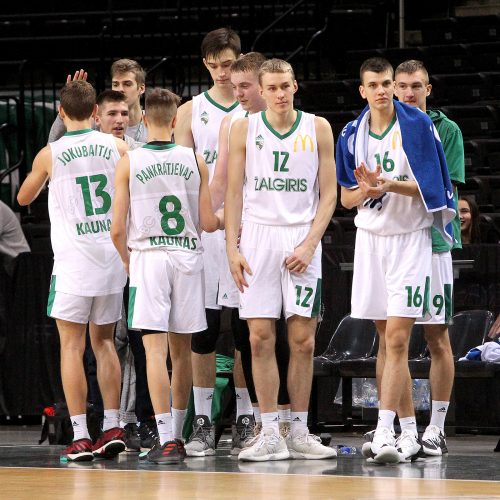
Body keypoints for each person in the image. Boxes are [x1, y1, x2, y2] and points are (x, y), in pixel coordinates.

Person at [336, 57, 455, 464]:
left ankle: (384, 428)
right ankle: (407, 432)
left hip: (410, 240)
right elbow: (346, 199)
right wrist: (367, 192)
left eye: (388, 83)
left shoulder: (420, 127)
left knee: (401, 338)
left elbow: (434, 193)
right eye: (375, 84)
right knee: (386, 342)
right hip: (370, 240)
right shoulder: (351, 133)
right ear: (363, 90)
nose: (384, 90)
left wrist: (390, 185)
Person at [225, 58, 338, 462]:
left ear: (295, 85)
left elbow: (329, 195)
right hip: (257, 236)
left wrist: (309, 243)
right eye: (271, 87)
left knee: (303, 342)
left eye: (285, 86)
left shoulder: (318, 127)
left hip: (300, 236)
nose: (279, 93)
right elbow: (233, 193)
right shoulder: (244, 128)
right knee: (258, 339)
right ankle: (269, 430)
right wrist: (232, 249)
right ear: (261, 89)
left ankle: (300, 430)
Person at [17, 80, 129, 462]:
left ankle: (81, 434)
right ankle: (113, 425)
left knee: (71, 346)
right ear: (97, 113)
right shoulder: (118, 146)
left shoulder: (51, 152)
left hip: (73, 265)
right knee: (105, 344)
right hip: (111, 260)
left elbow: (23, 197)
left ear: (61, 114)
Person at [111, 87, 221, 464]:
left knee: (153, 351)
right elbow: (208, 222)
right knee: (182, 352)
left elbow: (115, 229)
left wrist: (128, 262)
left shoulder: (130, 160)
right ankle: (179, 431)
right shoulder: (195, 158)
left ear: (143, 120)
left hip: (149, 256)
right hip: (188, 257)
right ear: (176, 121)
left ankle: (165, 437)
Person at [210, 52, 292, 454]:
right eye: (236, 85)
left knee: (295, 336)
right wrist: (215, 219)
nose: (237, 92)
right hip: (250, 240)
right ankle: (263, 423)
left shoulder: (303, 125)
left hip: (290, 238)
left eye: (244, 85)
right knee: (251, 335)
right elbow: (224, 185)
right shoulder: (234, 124)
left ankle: (294, 425)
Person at [391, 59, 465, 457]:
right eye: (401, 86)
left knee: (437, 335)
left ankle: (435, 427)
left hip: (433, 242)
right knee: (390, 339)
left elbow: (442, 189)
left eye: (416, 86)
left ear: (428, 89)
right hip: (393, 241)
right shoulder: (381, 125)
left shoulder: (446, 129)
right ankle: (401, 429)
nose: (408, 93)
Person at [175, 27, 242, 456]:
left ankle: (247, 417)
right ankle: (201, 420)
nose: (222, 71)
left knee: (243, 329)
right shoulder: (190, 111)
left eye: (230, 64)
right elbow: (181, 173)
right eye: (215, 64)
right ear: (205, 64)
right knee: (201, 332)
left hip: (243, 230)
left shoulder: (256, 105)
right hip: (202, 231)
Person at [48, 59, 147, 143]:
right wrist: (70, 102)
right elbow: (54, 145)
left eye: (127, 84)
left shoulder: (152, 123)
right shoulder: (97, 120)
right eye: (116, 84)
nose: (120, 89)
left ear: (141, 89)